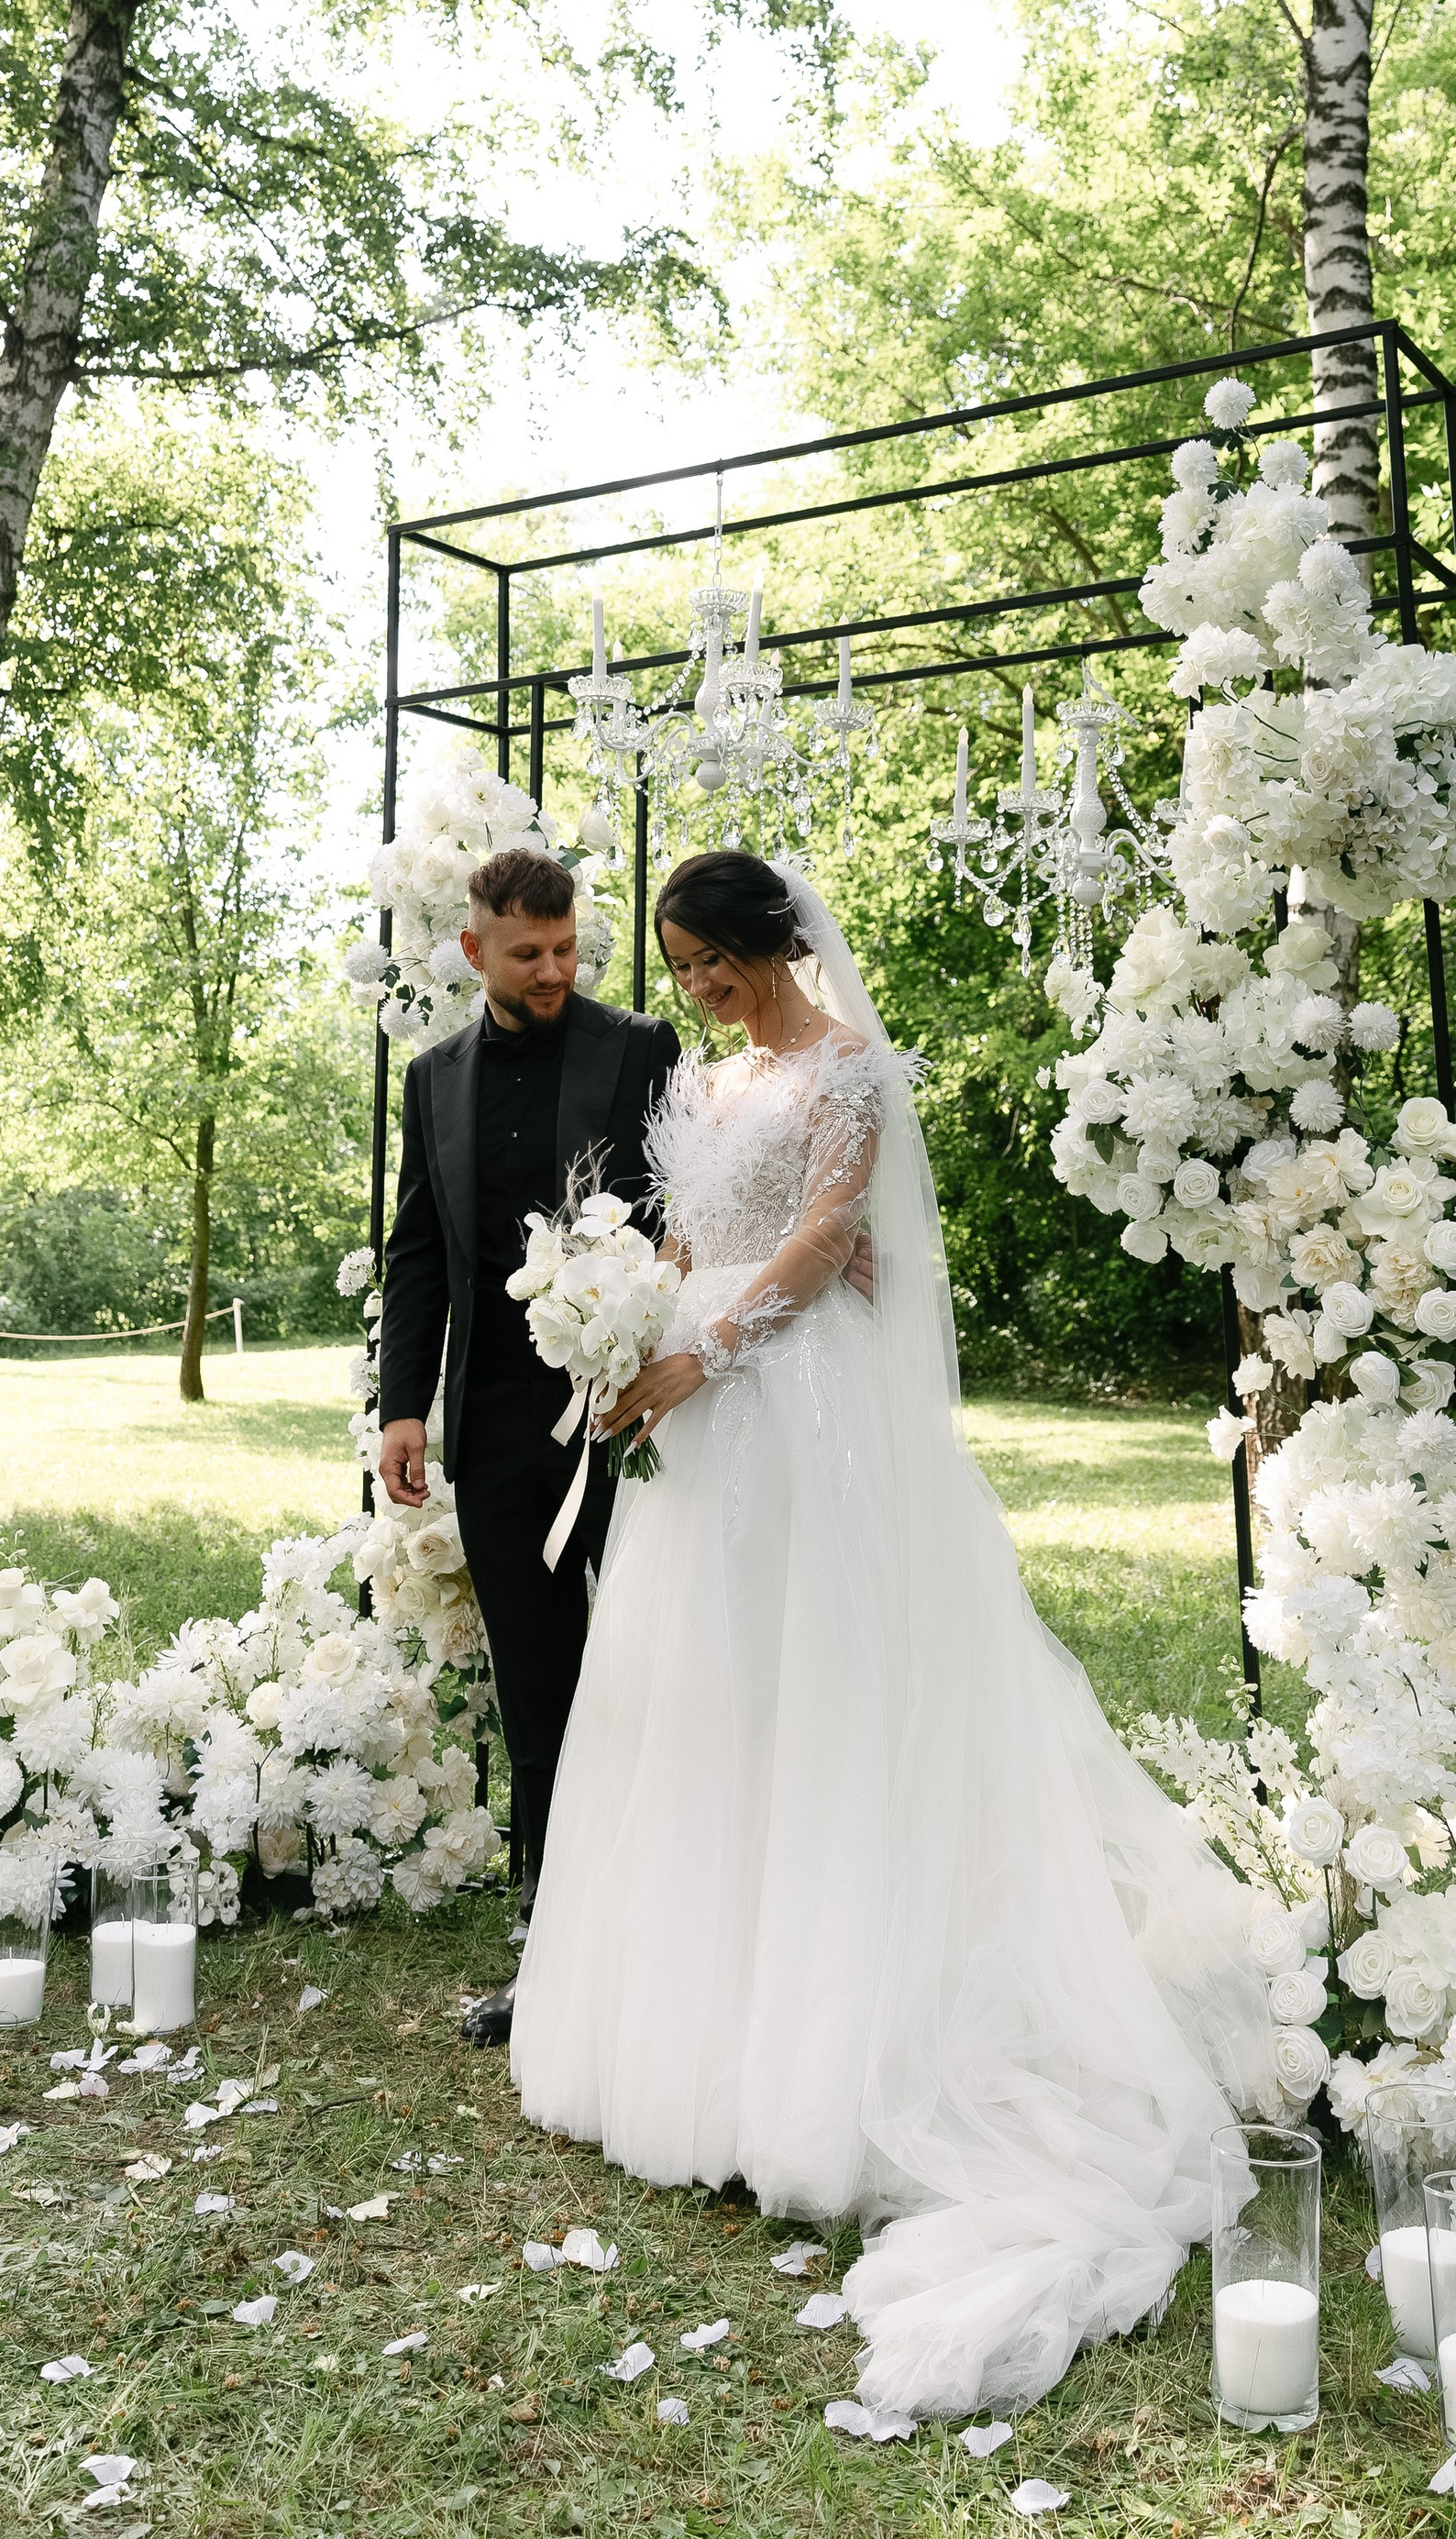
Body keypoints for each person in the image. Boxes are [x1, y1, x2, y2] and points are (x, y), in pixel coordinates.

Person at [508, 845, 1279, 2422]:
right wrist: (623, 1319)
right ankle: (691, 2051)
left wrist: (699, 1351)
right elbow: (688, 1235)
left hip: (805, 1420)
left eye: (716, 961)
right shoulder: (705, 1089)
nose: (701, 990)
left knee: (830, 1707)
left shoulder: (852, 1070)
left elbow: (818, 1244)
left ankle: (836, 2066)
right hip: (698, 1424)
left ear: (774, 942)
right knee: (705, 1711)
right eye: (681, 969)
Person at [374, 844, 679, 2046]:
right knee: (538, 1698)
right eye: (528, 954)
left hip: (634, 1426)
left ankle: (676, 1941)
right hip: (498, 1437)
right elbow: (416, 1253)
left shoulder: (640, 1050)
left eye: (565, 950)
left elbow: (690, 1218)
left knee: (665, 1677)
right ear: (474, 952)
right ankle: (551, 1966)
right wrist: (406, 1406)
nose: (554, 971)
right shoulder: (431, 1080)